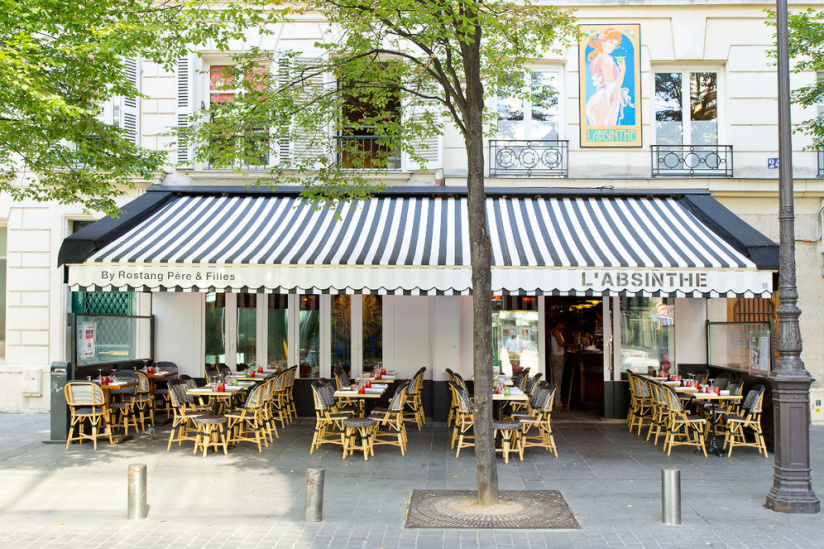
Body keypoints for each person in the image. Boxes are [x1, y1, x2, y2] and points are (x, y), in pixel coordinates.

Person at [585, 28, 632, 127]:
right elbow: (611, 89)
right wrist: (623, 70)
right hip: (605, 100)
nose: (612, 46)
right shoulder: (607, 60)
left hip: (597, 98)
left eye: (615, 44)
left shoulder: (595, 60)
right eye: (610, 42)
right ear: (602, 41)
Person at [549, 318, 576, 407]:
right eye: (563, 325)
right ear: (560, 323)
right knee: (557, 379)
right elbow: (561, 343)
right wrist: (571, 345)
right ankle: (557, 400)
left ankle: (552, 399)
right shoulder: (556, 331)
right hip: (557, 357)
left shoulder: (554, 331)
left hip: (554, 356)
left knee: (554, 379)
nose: (563, 327)